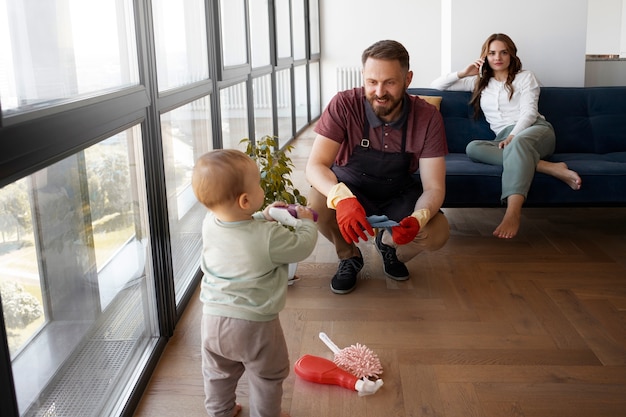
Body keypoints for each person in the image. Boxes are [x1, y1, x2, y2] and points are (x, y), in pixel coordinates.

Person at [306, 40, 450, 295]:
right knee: (317, 203)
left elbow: (434, 186)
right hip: (352, 188)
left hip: (398, 194)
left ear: (408, 79)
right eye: (372, 82)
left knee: (438, 232)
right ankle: (349, 256)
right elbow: (315, 166)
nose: (379, 91)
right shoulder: (344, 104)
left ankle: (390, 246)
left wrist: (420, 217)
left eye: (390, 82)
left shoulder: (428, 117)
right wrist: (342, 199)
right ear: (363, 77)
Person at [192, 149, 318, 417]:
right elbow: (301, 247)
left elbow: (240, 228)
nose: (262, 187)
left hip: (213, 320)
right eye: (259, 184)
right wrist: (306, 223)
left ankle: (221, 411)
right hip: (254, 325)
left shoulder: (210, 223)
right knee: (267, 376)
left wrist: (263, 215)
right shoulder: (269, 237)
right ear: (245, 199)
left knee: (218, 373)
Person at [431, 33, 581, 239]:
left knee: (518, 144)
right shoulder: (479, 82)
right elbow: (437, 85)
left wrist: (514, 135)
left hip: (536, 130)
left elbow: (529, 112)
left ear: (511, 55)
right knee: (472, 148)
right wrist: (464, 72)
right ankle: (550, 167)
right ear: (485, 56)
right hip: (504, 138)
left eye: (503, 52)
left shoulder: (525, 77)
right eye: (492, 53)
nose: (497, 57)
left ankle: (512, 212)